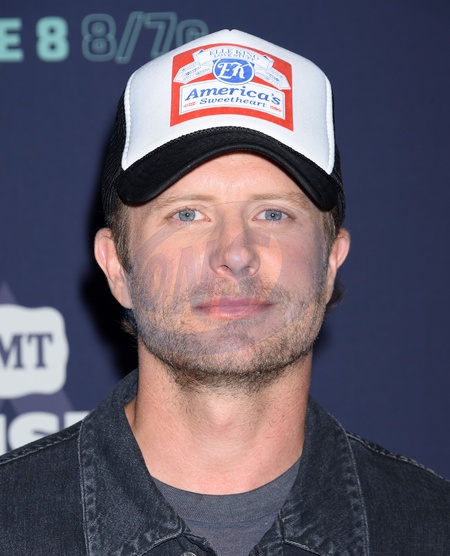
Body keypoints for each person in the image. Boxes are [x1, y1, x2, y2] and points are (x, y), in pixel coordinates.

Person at [1, 29, 449, 555]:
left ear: (331, 261)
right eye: (188, 214)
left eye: (273, 213)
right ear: (117, 266)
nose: (235, 252)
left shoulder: (431, 530)